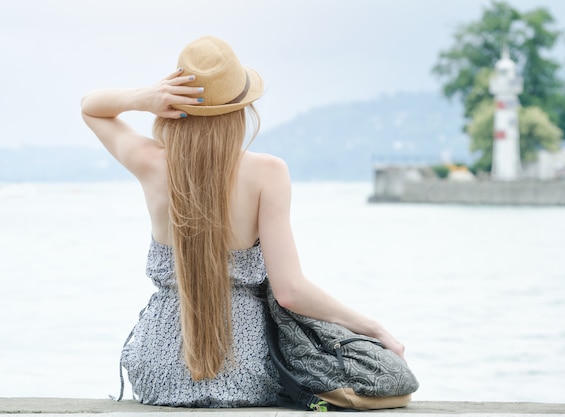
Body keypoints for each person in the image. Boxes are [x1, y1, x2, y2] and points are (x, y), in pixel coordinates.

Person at [81, 35, 405, 408]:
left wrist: (144, 98)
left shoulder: (149, 161)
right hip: (246, 370)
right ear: (240, 109)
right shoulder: (268, 173)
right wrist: (373, 327)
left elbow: (91, 107)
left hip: (158, 370)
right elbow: (290, 292)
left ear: (173, 102)